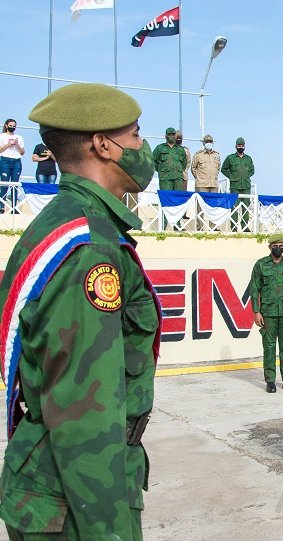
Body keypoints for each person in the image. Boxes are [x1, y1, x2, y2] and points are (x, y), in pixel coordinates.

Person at [0, 83, 161, 539]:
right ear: (103, 145)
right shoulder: (89, 248)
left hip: (58, 487)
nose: (141, 148)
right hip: (76, 499)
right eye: (134, 136)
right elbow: (85, 416)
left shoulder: (74, 223)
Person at [250, 234, 283, 392]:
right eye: (276, 245)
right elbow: (254, 289)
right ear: (270, 247)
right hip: (268, 313)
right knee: (269, 347)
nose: (279, 248)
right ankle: (270, 381)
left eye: (281, 245)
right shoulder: (261, 265)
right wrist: (256, 311)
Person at [221, 137, 255, 230]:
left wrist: (246, 176)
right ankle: (234, 227)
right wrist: (232, 176)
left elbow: (252, 171)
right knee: (235, 207)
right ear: (236, 146)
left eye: (242, 145)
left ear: (245, 146)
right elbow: (223, 169)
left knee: (246, 208)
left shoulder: (248, 158)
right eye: (239, 145)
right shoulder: (230, 158)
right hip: (235, 186)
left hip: (246, 186)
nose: (241, 147)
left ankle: (245, 227)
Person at [0, 119, 25, 211]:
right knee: (4, 184)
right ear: (6, 125)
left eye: (14, 126)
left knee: (15, 185)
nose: (12, 127)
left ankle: (14, 208)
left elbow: (22, 152)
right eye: (10, 125)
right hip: (5, 161)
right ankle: (1, 207)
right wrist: (8, 144)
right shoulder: (2, 136)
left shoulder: (19, 137)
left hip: (16, 161)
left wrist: (17, 145)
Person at [152, 127, 187, 191]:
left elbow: (184, 163)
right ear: (165, 136)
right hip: (165, 179)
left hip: (178, 179)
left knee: (177, 198)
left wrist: (178, 170)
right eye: (169, 134)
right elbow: (153, 160)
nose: (171, 136)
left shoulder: (180, 149)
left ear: (175, 136)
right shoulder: (160, 148)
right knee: (166, 198)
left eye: (173, 134)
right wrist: (161, 170)